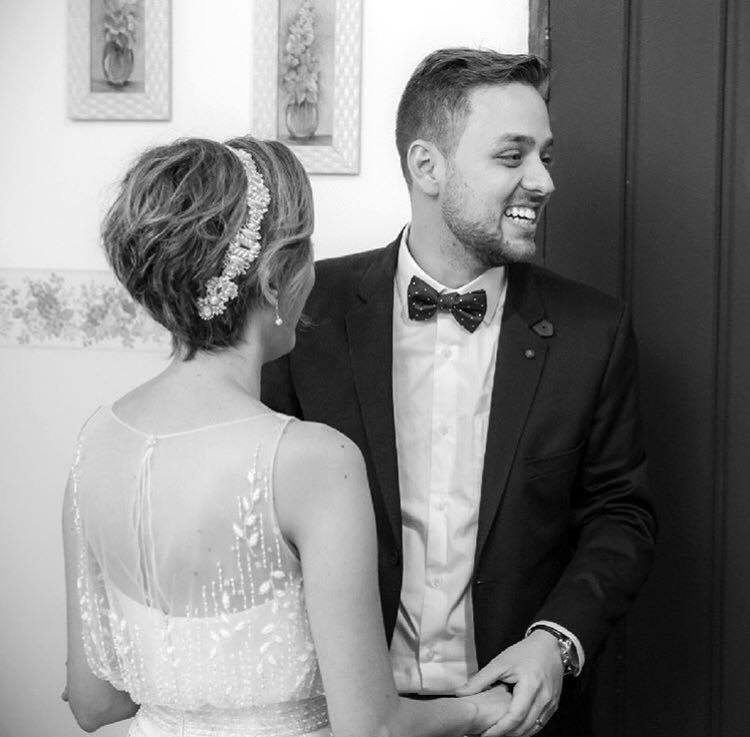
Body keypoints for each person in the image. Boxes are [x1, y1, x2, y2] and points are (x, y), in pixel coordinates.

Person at [261, 49, 657, 737]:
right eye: (512, 156)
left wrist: (555, 642)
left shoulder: (595, 330)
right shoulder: (307, 311)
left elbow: (621, 514)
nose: (544, 181)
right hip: (337, 712)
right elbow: (256, 502)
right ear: (427, 167)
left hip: (518, 716)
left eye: (545, 157)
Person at [62, 136, 514, 737]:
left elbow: (94, 704)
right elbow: (371, 728)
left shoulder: (95, 445)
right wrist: (484, 708)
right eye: (307, 252)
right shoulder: (314, 460)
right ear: (276, 278)